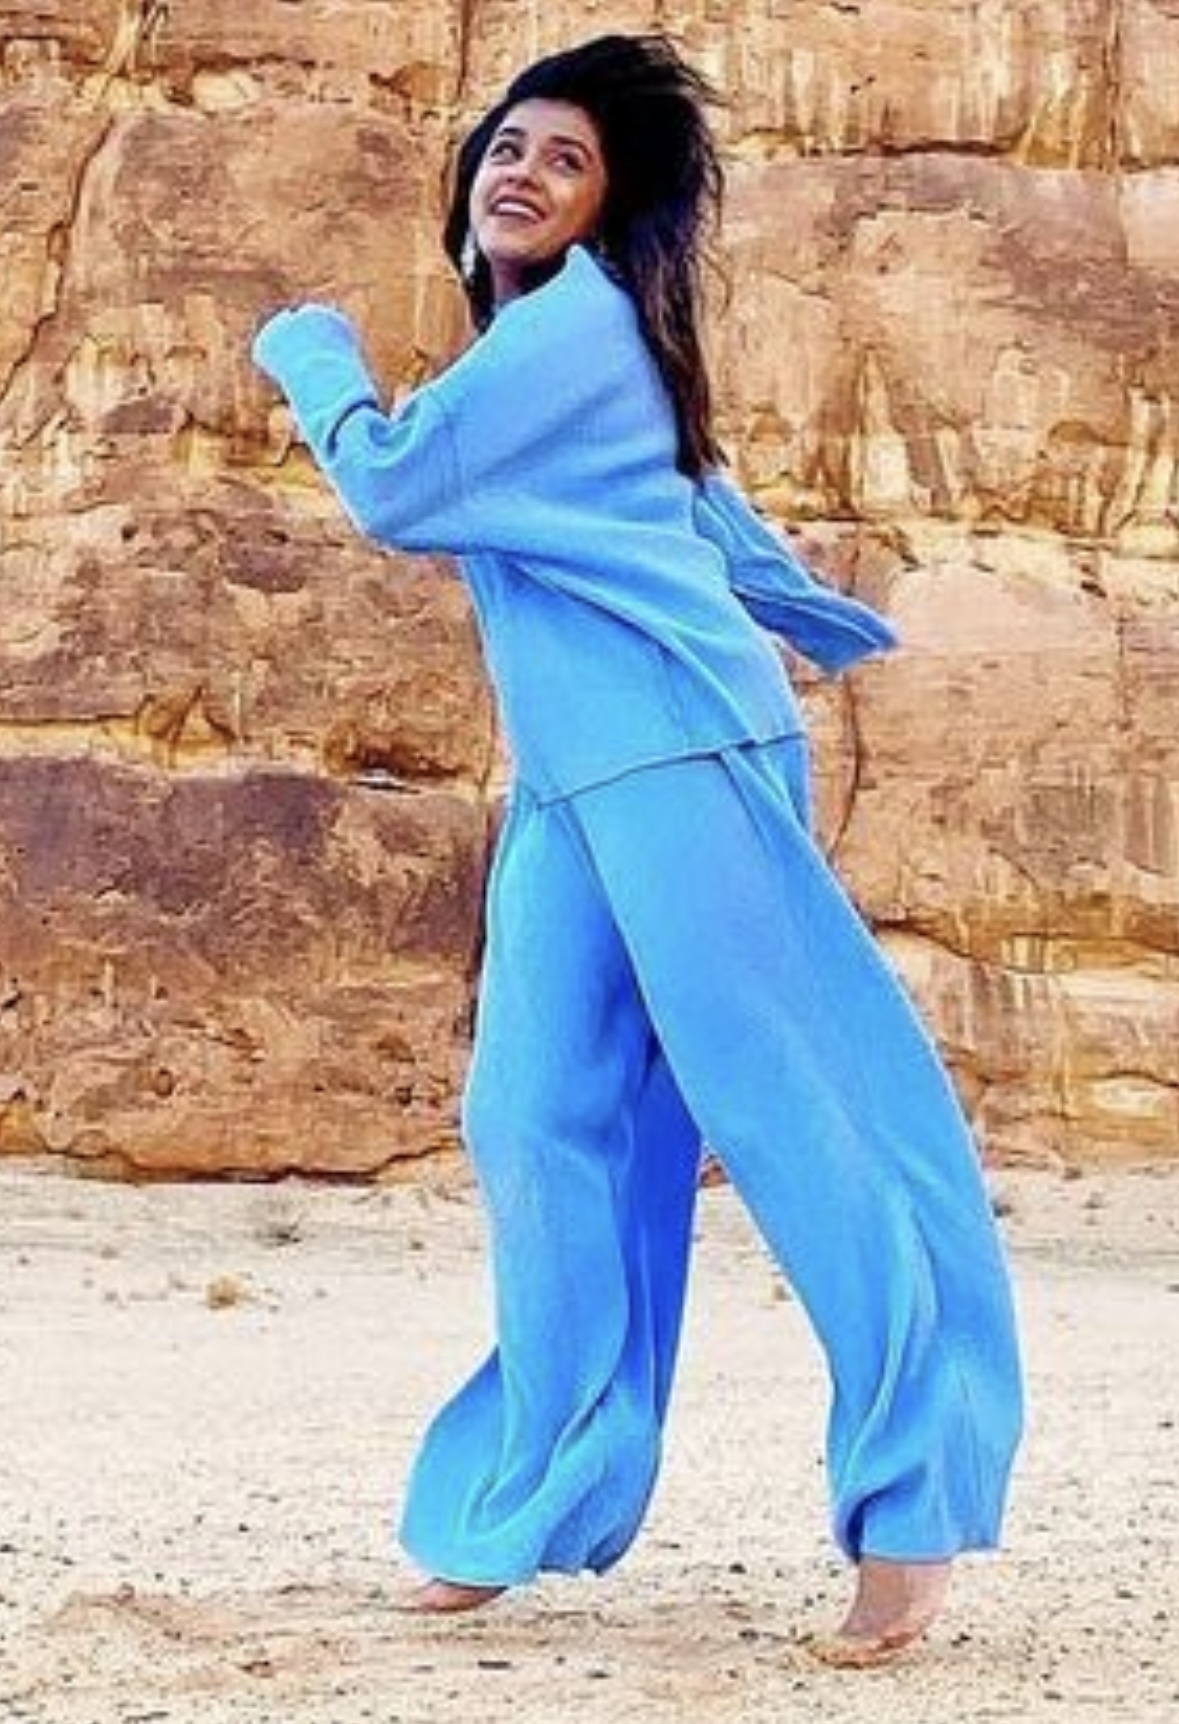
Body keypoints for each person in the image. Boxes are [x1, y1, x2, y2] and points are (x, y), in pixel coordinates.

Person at [251, 33, 1023, 1668]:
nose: (524, 172)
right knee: (532, 1114)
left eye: (567, 159)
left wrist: (312, 357)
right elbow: (695, 499)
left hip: (677, 755)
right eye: (508, 147)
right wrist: (807, 607)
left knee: (801, 1116)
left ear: (609, 209)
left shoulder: (577, 325)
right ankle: (537, 1493)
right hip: (574, 778)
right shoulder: (574, 341)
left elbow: (391, 485)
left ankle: (917, 1501)